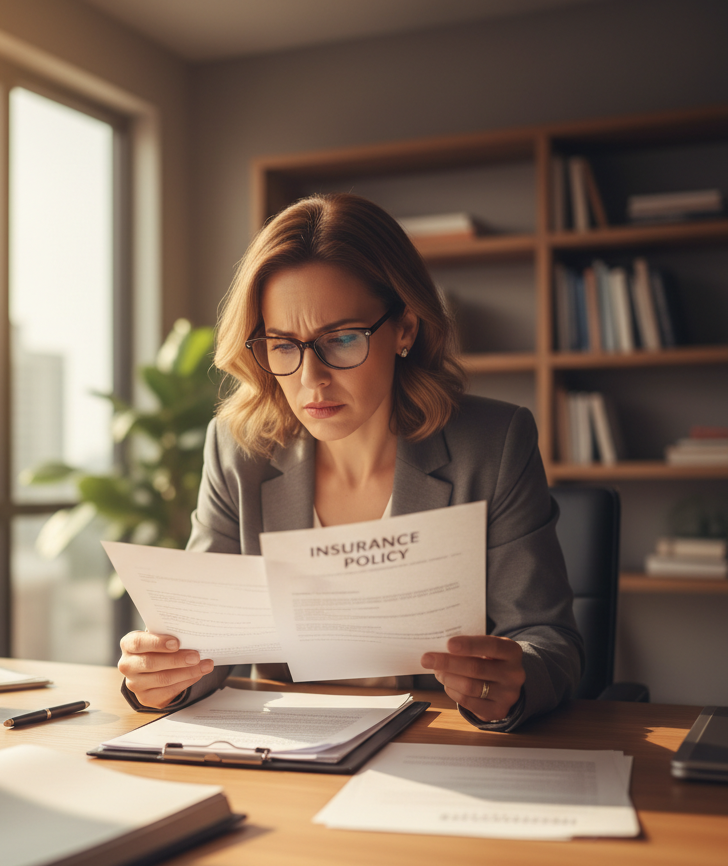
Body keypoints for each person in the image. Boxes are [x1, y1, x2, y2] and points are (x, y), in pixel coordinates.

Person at [118, 193, 582, 731]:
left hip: (437, 747)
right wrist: (163, 675)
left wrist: (514, 678)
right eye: (283, 345)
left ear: (405, 329)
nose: (311, 380)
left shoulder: (494, 443)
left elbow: (551, 642)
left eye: (340, 339)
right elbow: (202, 645)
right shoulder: (238, 448)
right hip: (289, 750)